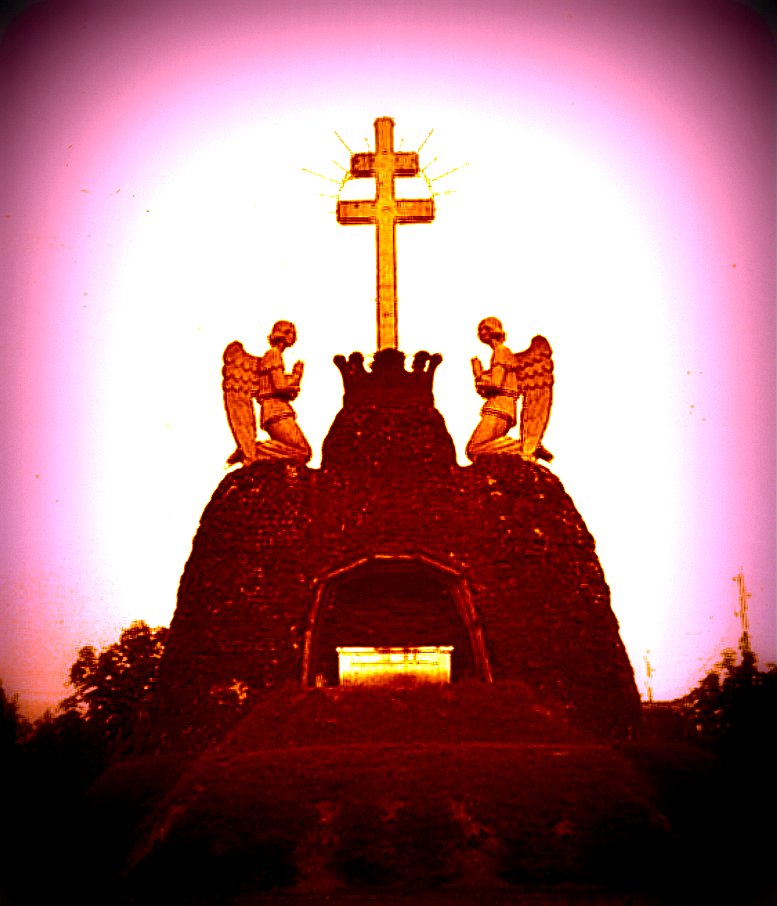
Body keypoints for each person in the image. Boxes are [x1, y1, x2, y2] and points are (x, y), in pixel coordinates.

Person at [223, 320, 311, 465]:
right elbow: (279, 386)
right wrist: (296, 376)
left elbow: (275, 387)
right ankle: (254, 450)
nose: (294, 336)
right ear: (283, 334)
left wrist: (294, 382)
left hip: (277, 409)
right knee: (303, 452)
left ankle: (254, 452)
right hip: (276, 411)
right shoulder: (273, 354)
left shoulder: (273, 355)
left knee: (301, 452)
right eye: (292, 332)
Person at [466, 317, 553, 462]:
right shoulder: (502, 353)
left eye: (485, 328)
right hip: (501, 407)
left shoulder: (501, 352)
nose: (481, 332)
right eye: (480, 329)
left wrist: (479, 374)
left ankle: (523, 447)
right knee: (477, 451)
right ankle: (525, 447)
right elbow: (493, 388)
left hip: (499, 408)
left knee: (474, 449)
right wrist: (480, 376)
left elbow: (496, 384)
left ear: (494, 330)